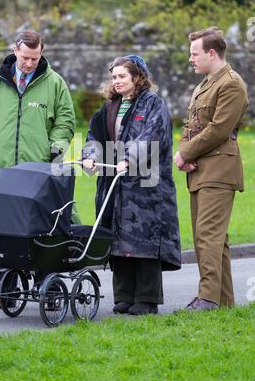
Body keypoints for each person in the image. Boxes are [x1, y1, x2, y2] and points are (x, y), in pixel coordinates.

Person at [0, 30, 77, 297]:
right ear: (15, 50)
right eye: (26, 57)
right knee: (1, 226)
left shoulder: (54, 83)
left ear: (42, 52)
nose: (29, 63)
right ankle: (3, 288)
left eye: (35, 57)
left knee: (40, 227)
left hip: (37, 170)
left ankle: (47, 287)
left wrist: (55, 150)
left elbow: (65, 121)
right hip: (1, 170)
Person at [82, 55, 181, 315]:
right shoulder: (110, 106)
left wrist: (129, 159)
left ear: (138, 77)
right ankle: (124, 296)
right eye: (114, 77)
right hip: (114, 183)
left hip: (147, 187)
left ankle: (146, 299)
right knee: (118, 239)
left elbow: (151, 137)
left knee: (144, 240)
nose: (116, 81)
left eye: (122, 76)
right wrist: (90, 157)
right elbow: (95, 136)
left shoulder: (153, 104)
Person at [174, 27, 249, 311]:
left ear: (212, 53)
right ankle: (225, 302)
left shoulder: (231, 84)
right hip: (202, 169)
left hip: (219, 169)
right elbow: (190, 125)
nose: (190, 59)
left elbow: (219, 129)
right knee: (215, 239)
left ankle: (206, 299)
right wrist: (184, 151)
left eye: (195, 54)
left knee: (208, 235)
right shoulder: (204, 84)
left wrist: (186, 153)